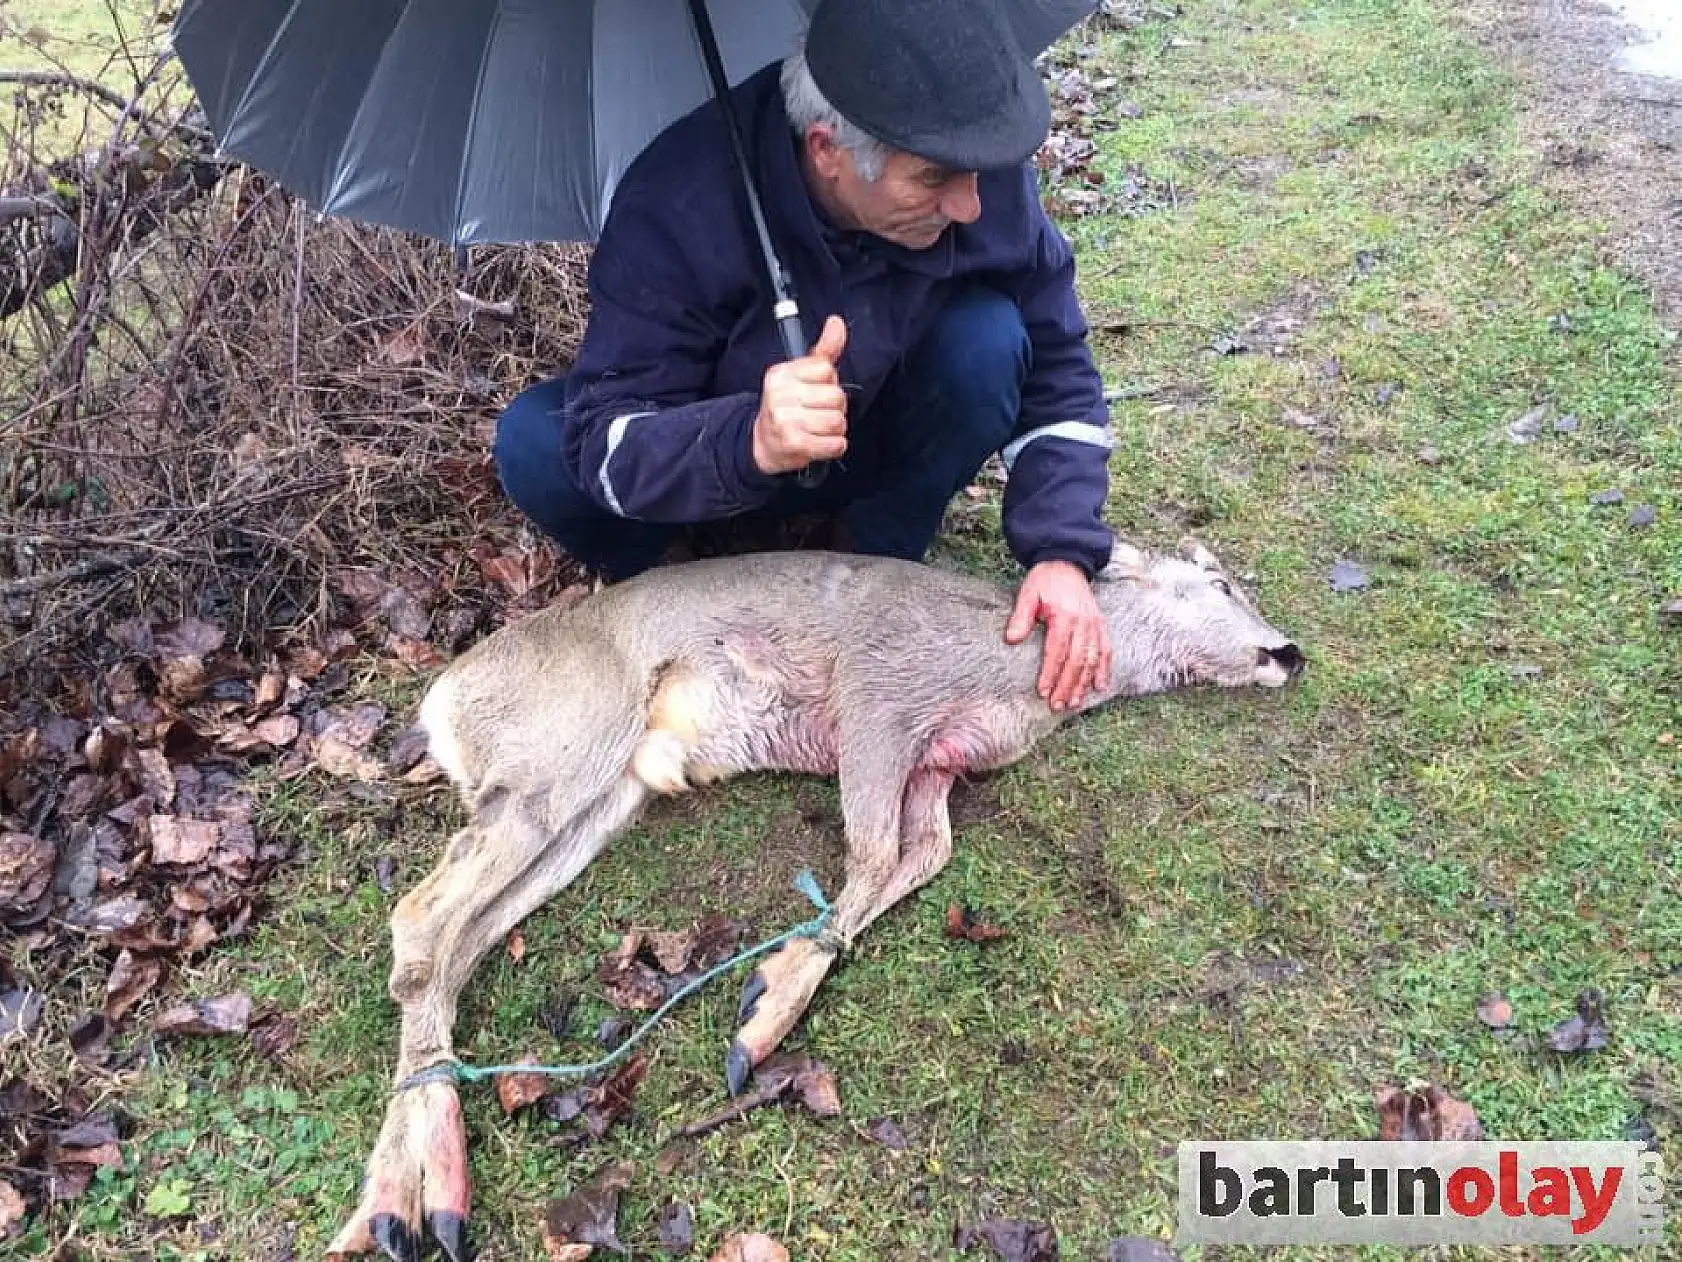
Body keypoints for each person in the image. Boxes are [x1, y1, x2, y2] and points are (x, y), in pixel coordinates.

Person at [493, 0, 1117, 711]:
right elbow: (606, 435)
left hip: (869, 436)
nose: (971, 206)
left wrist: (1062, 551)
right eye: (934, 181)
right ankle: (681, 583)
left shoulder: (973, 156)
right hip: (709, 475)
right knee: (535, 441)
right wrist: (749, 438)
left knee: (990, 339)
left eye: (977, 176)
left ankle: (875, 561)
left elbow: (1059, 361)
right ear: (828, 151)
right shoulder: (675, 202)